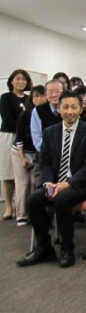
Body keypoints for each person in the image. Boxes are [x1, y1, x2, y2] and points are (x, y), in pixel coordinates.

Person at [17, 90, 86, 268]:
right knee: (34, 200)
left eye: (74, 107)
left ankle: (67, 248)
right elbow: (45, 162)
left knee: (62, 200)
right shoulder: (50, 133)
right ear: (59, 109)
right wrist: (47, 182)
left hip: (79, 184)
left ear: (80, 109)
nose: (69, 111)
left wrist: (68, 183)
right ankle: (44, 247)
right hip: (54, 183)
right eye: (65, 107)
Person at [12, 85, 46, 226]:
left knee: (34, 183)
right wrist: (22, 157)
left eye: (41, 95)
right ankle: (21, 215)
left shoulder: (47, 114)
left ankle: (32, 214)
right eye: (35, 96)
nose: (38, 99)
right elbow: (19, 137)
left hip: (37, 153)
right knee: (23, 183)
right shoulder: (25, 115)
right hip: (21, 151)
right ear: (31, 98)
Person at [0, 69, 32, 220]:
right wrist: (22, 129)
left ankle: (21, 205)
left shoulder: (28, 98)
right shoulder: (6, 97)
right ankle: (8, 206)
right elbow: (7, 118)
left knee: (22, 174)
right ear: (11, 81)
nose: (21, 82)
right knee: (7, 173)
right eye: (18, 79)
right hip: (9, 135)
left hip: (24, 139)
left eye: (24, 79)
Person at [31, 79, 64, 154]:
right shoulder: (37, 111)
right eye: (51, 92)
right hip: (45, 154)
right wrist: (50, 153)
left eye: (58, 91)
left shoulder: (69, 109)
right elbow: (37, 138)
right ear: (46, 94)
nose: (54, 95)